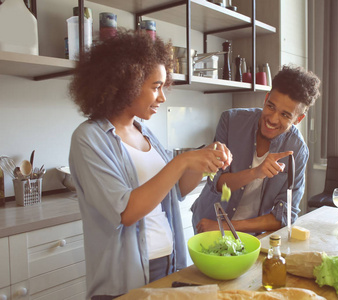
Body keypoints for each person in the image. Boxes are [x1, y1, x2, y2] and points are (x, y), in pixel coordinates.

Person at [68, 29, 231, 299]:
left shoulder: (145, 133)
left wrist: (204, 161)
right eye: (156, 87)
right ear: (125, 83)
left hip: (169, 263)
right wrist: (182, 161)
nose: (162, 97)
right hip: (124, 279)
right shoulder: (88, 138)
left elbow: (175, 189)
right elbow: (125, 212)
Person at [191, 65, 321, 235]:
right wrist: (256, 173)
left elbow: (284, 216)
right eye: (271, 106)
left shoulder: (297, 150)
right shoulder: (230, 121)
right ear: (266, 98)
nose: (273, 119)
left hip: (252, 235)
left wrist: (228, 226)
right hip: (208, 224)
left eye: (285, 115)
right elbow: (217, 182)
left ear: (298, 119)